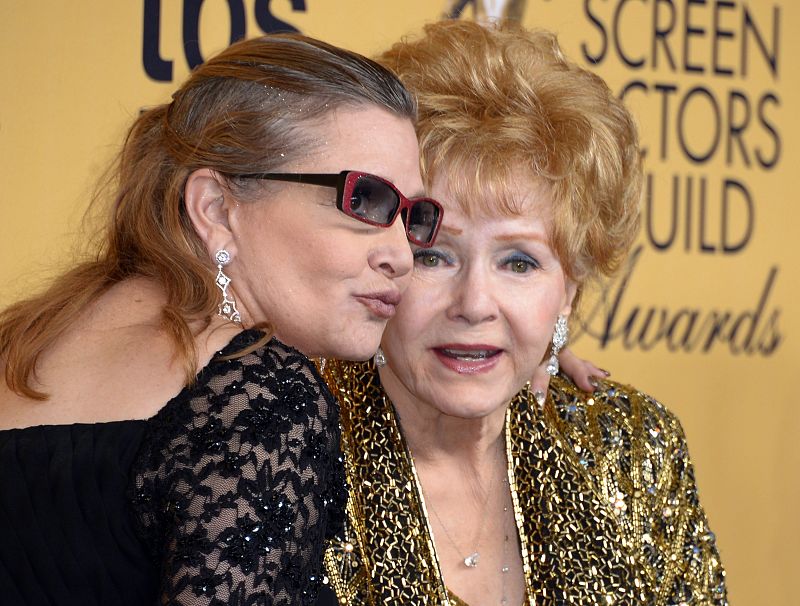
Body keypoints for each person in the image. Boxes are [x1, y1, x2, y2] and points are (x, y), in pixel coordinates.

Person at [0, 33, 446, 605]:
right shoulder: (258, 391)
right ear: (215, 208)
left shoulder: (25, 343)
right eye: (365, 201)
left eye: (414, 216)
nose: (401, 255)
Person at [316, 20, 728, 606]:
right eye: (433, 256)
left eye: (519, 262)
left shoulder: (629, 443)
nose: (475, 305)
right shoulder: (293, 454)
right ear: (381, 259)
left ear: (569, 289)